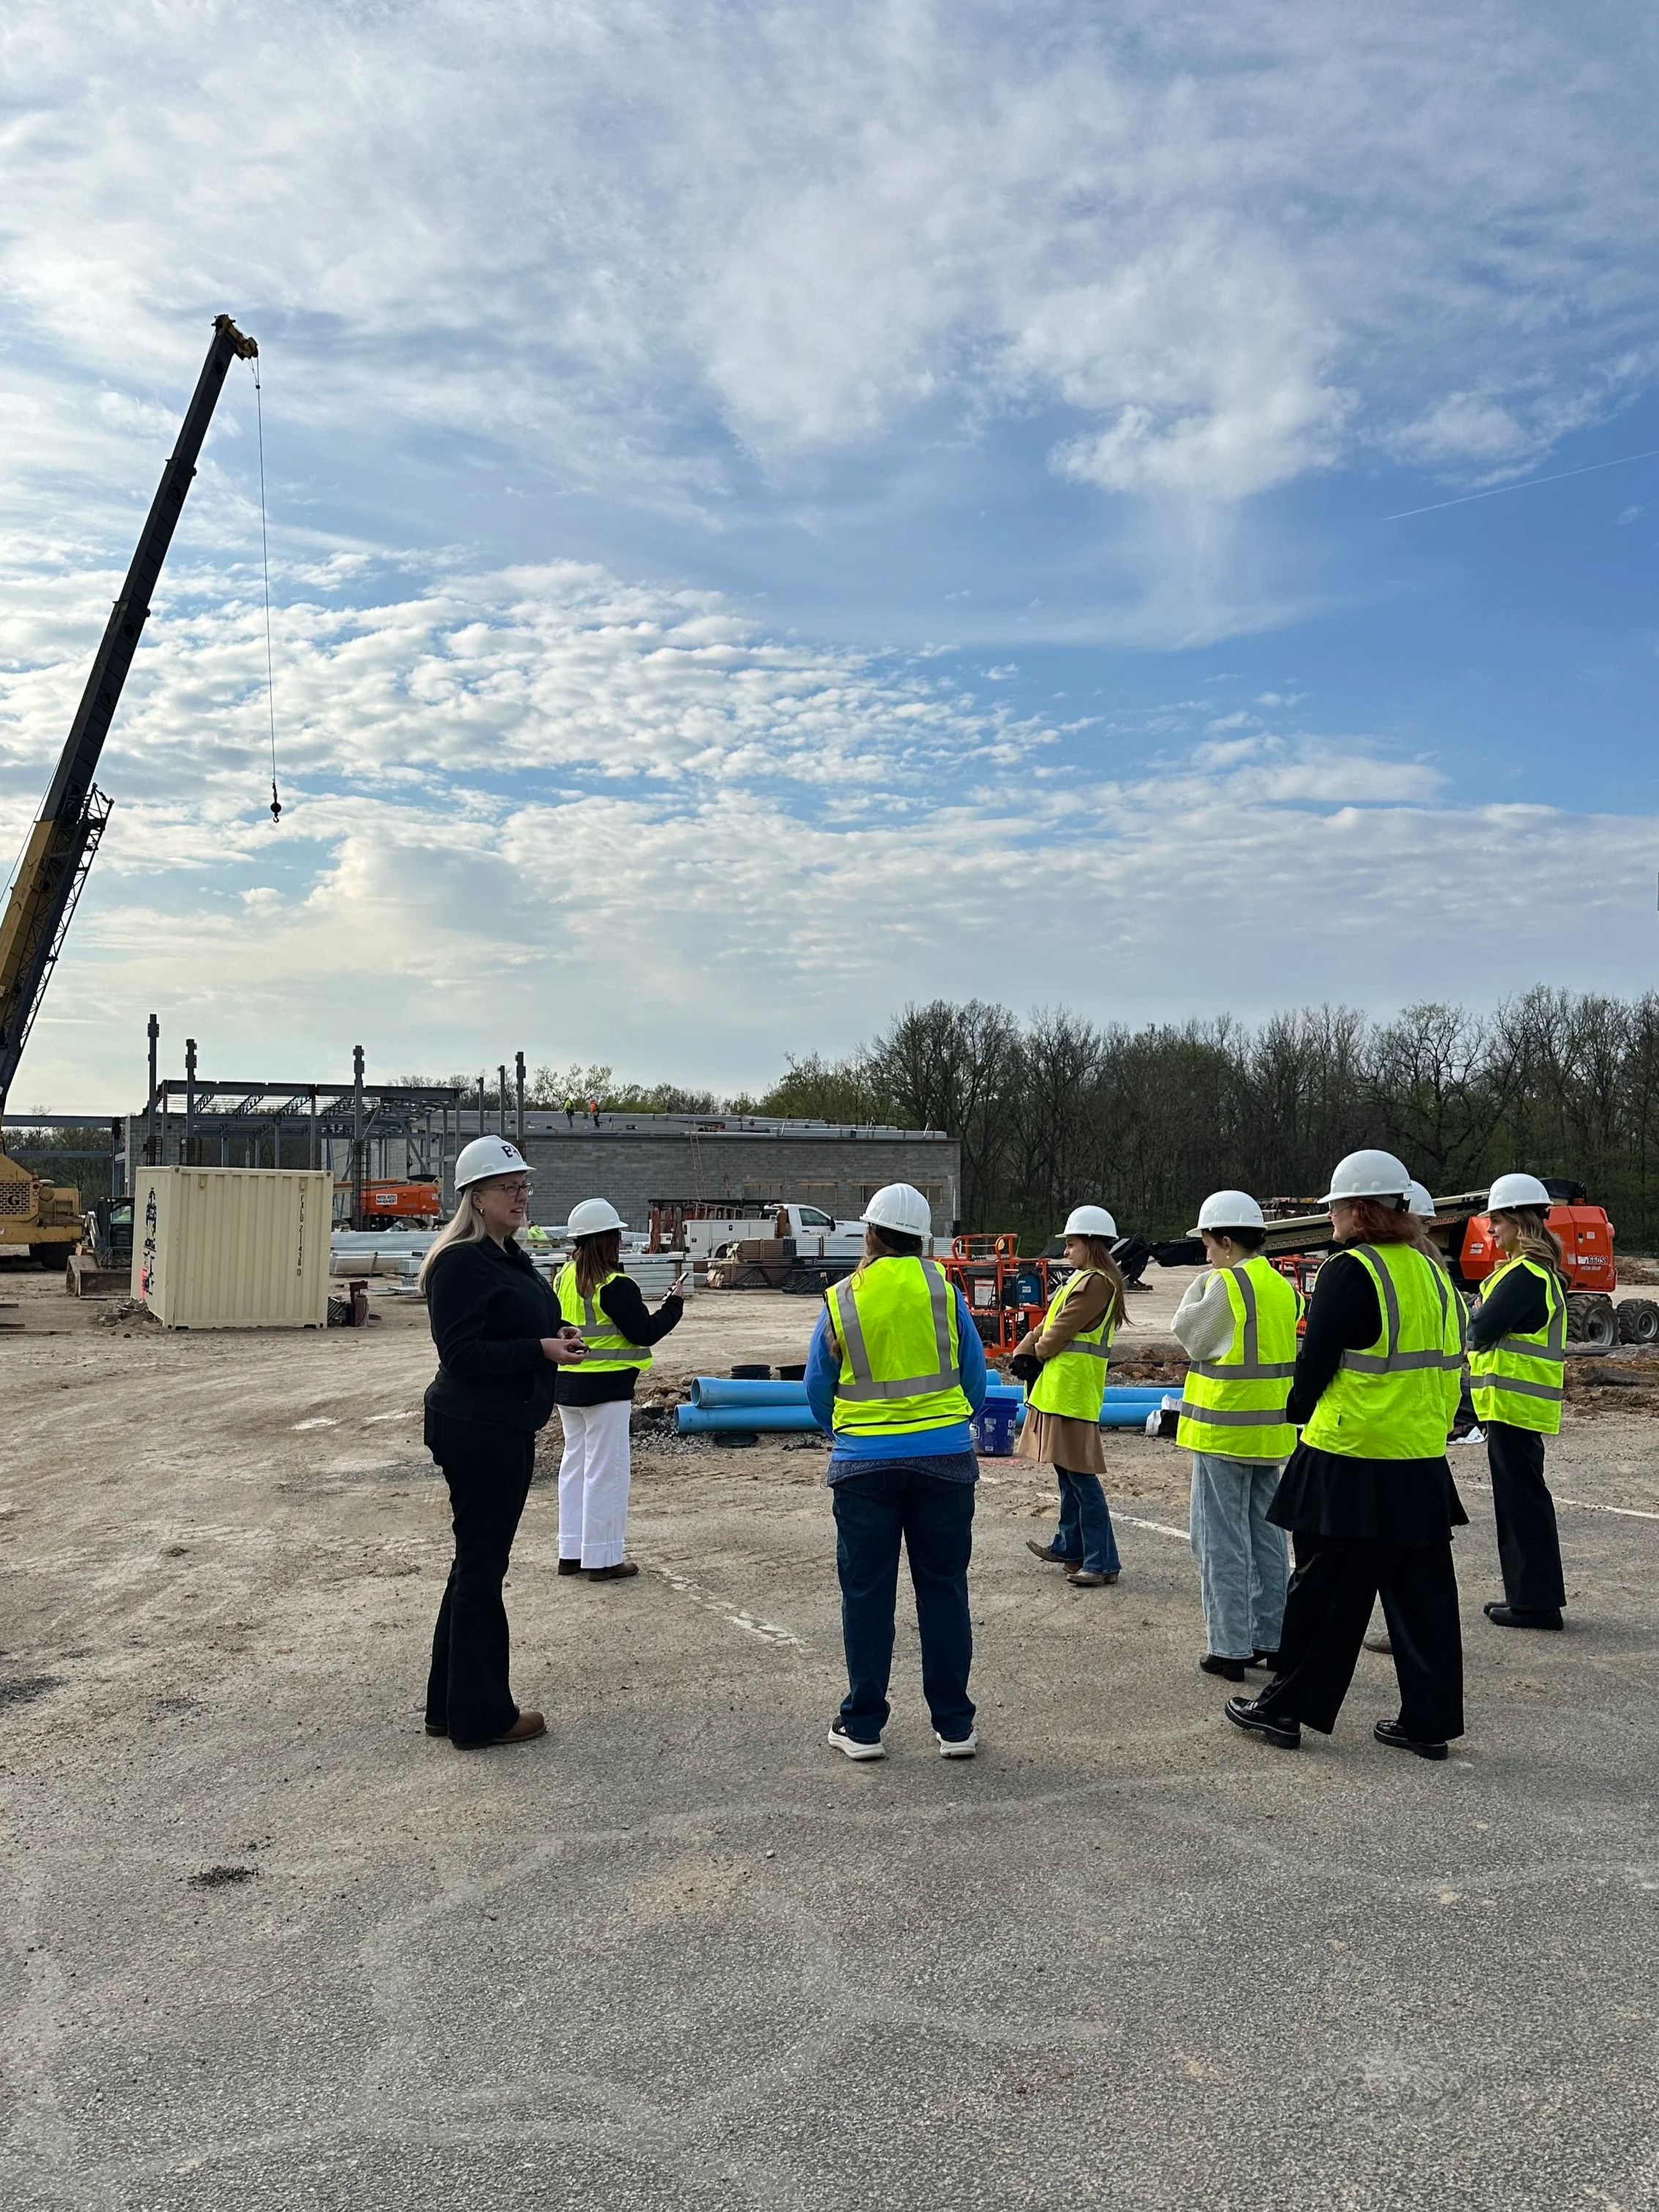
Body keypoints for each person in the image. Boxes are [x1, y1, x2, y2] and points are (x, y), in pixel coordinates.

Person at [1224, 1150, 1468, 1762]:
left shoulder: (1350, 1270)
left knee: (1324, 1596)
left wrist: (1297, 1408)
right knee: (1425, 1599)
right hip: (1417, 1457)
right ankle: (1427, 1722)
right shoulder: (1433, 1273)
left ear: (1359, 1209)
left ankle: (1285, 1708)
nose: (1329, 1215)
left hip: (1350, 1457)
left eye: (1334, 1204)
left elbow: (1317, 1363)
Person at [805, 1181, 988, 1759]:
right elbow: (977, 1381)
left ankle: (862, 1725)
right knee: (944, 1589)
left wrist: (849, 1432)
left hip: (863, 1467)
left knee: (866, 1593)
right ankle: (954, 1724)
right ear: (922, 1237)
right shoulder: (944, 1290)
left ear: (873, 1233)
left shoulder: (843, 1296)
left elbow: (817, 1388)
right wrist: (944, 1424)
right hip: (944, 1461)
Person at [420, 1136, 588, 1750]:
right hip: (479, 1431)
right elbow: (462, 1354)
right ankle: (482, 1715)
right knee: (482, 1573)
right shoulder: (462, 1261)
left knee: (473, 1566)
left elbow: (515, 1320)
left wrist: (554, 1331)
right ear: (477, 1197)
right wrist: (538, 1350)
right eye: (507, 1186)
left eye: (523, 1184)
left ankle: (448, 1704)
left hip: (502, 1425)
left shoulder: (507, 1255)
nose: (521, 1195)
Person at [1171, 1191, 1300, 1681]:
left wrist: (1203, 1284)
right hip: (1269, 1432)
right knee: (1268, 1536)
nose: (1206, 1255)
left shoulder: (1226, 1284)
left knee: (1220, 1540)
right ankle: (1273, 1637)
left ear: (1226, 1240)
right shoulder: (1281, 1286)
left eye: (1208, 1243)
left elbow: (1190, 1333)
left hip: (1224, 1431)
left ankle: (1228, 1646)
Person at [553, 1199, 685, 1578]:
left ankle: (571, 1552)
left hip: (566, 1385)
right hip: (607, 1389)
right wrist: (673, 1307)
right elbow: (643, 1332)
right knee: (606, 1472)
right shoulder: (616, 1286)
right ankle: (602, 1558)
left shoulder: (563, 1277)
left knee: (574, 1467)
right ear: (608, 1239)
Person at [1467, 1172, 1569, 1631]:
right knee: (1521, 1502)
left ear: (1518, 1220)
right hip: (1515, 1407)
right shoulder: (1531, 1273)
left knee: (1521, 1504)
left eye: (1497, 1222)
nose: (1491, 1230)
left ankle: (1535, 1603)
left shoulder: (1526, 1274)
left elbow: (1481, 1328)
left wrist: (1474, 1318)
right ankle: (1530, 1598)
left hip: (1514, 1406)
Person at [1009, 1204, 1128, 1587]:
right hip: (1060, 1390)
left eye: (1072, 1244)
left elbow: (1059, 1330)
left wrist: (1034, 1352)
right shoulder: (1082, 1280)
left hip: (1073, 1392)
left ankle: (1102, 1559)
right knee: (1068, 1473)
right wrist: (1026, 1349)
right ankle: (1070, 1545)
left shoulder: (1096, 1283)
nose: (1066, 1251)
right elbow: (1049, 1322)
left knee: (1080, 1476)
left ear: (1092, 1244)